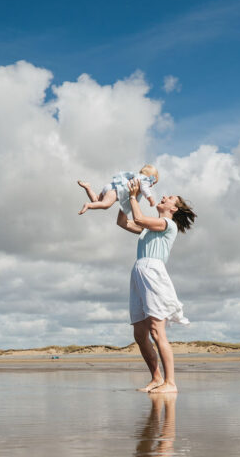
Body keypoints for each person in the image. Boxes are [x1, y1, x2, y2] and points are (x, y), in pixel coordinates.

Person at [117, 179, 196, 393]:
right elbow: (123, 222)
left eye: (169, 198)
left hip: (153, 272)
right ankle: (157, 378)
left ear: (174, 208)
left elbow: (139, 217)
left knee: (156, 330)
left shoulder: (167, 224)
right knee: (140, 334)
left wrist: (134, 196)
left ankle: (171, 383)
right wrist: (127, 197)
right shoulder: (148, 229)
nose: (163, 197)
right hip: (139, 272)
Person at [78, 165, 159, 217]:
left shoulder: (136, 176)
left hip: (111, 186)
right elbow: (145, 190)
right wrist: (151, 200)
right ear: (151, 178)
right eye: (153, 183)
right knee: (105, 205)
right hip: (114, 192)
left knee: (96, 200)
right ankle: (88, 205)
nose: (151, 185)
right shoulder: (145, 180)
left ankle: (88, 187)